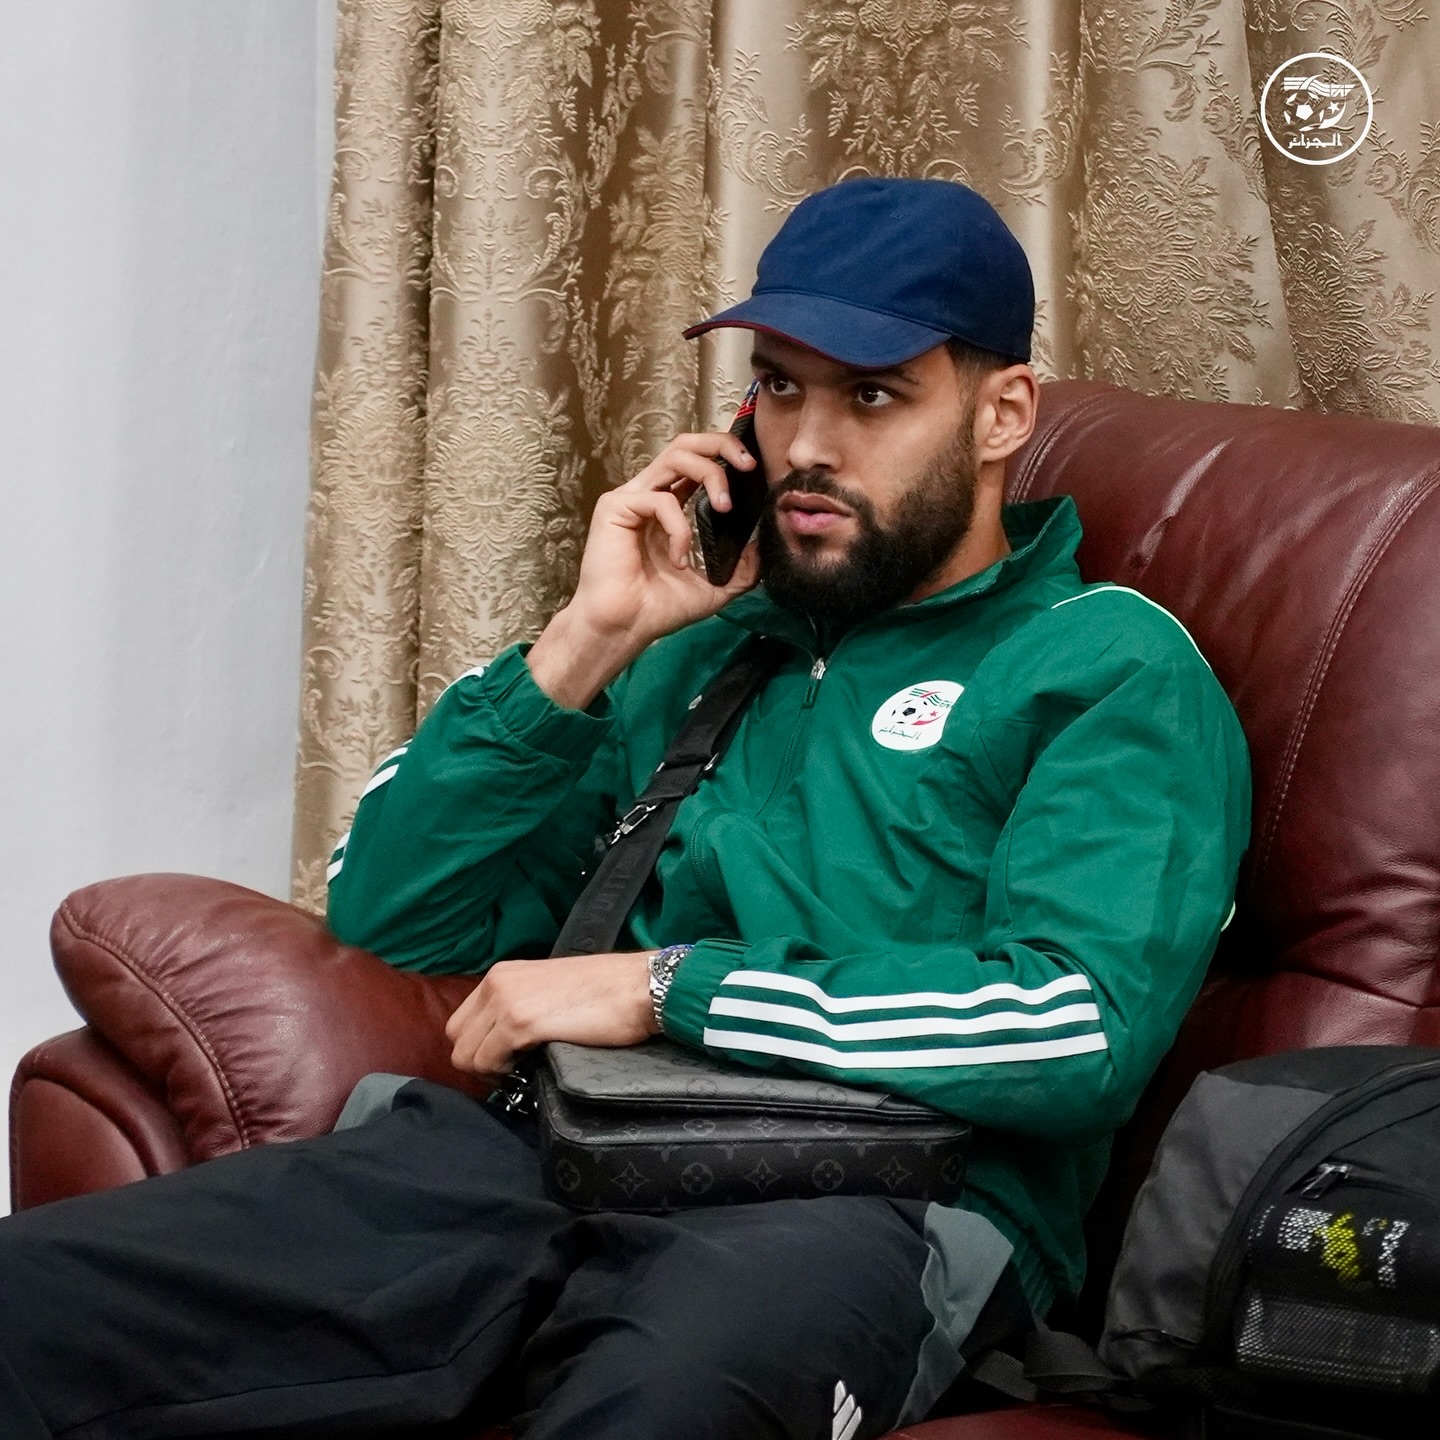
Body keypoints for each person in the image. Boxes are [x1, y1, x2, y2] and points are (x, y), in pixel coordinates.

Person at [0, 178, 1250, 1440]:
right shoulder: (700, 650)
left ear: (1002, 413)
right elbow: (391, 919)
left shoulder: (1105, 664)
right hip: (536, 1159)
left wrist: (669, 987)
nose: (804, 445)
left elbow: (1074, 1025)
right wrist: (584, 644)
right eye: (779, 387)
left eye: (872, 396)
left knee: (648, 1409)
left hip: (862, 1211)